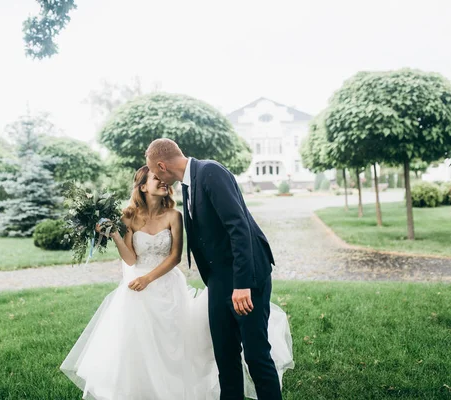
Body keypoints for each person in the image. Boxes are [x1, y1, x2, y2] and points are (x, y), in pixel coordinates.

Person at [60, 164, 293, 400]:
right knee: (140, 346)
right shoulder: (128, 216)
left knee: (176, 343)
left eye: (162, 178)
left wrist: (148, 278)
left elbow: (174, 256)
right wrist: (116, 235)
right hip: (138, 289)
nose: (163, 182)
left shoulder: (174, 216)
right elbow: (130, 258)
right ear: (142, 187)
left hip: (166, 285)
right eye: (155, 179)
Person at [145, 138, 285, 400]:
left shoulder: (210, 172)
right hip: (219, 279)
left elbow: (239, 227)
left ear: (161, 165)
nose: (156, 177)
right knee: (224, 354)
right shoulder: (187, 184)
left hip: (247, 274)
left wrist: (242, 284)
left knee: (256, 355)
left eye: (153, 171)